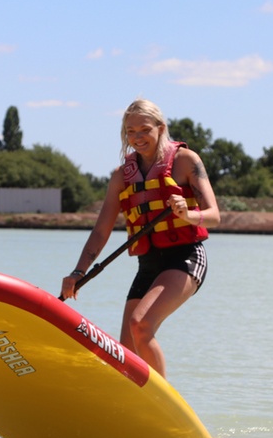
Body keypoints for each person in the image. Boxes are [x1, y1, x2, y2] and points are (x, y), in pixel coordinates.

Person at [61, 99, 220, 378]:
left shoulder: (186, 161)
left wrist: (187, 214)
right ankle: (132, 412)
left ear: (161, 128)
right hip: (148, 264)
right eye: (130, 131)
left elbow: (214, 215)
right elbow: (101, 231)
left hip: (185, 257)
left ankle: (165, 407)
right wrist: (78, 272)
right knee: (125, 352)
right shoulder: (122, 176)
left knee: (141, 326)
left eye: (144, 129)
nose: (137, 137)